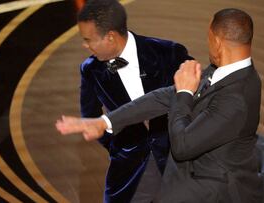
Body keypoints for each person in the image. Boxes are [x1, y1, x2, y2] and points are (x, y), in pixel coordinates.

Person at [56, 8, 264, 202]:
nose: (207, 43)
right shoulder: (223, 71)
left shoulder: (237, 98)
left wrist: (185, 93)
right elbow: (164, 96)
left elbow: (182, 146)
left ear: (218, 43)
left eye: (209, 38)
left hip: (215, 193)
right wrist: (105, 122)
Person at [74, 0, 192, 202]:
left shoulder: (169, 53)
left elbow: (195, 98)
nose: (85, 45)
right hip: (128, 170)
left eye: (88, 39)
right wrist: (117, 145)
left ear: (110, 36)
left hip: (179, 164)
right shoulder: (90, 70)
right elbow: (90, 115)